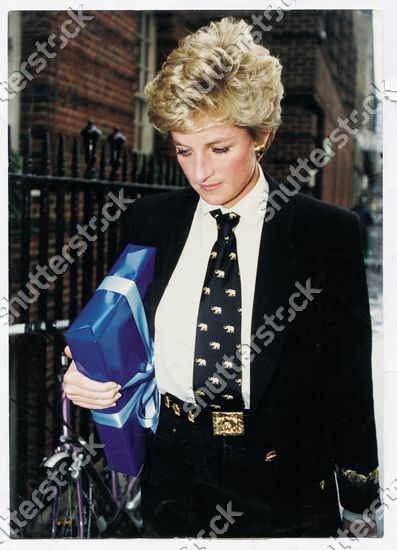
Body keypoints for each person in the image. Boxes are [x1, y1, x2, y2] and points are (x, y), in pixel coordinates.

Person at [63, 17, 380, 538]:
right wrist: (79, 369)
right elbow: (118, 323)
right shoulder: (152, 221)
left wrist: (360, 501)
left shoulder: (325, 234)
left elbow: (347, 377)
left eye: (219, 148)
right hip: (173, 468)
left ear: (262, 136)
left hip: (285, 478)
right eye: (184, 150)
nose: (200, 172)